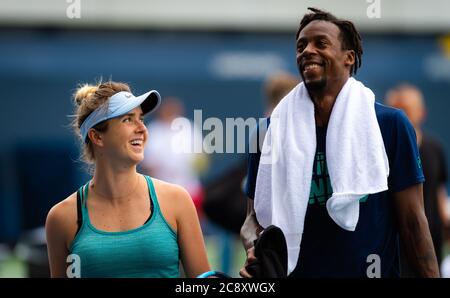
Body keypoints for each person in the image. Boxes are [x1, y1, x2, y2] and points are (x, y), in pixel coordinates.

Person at [240, 8, 440, 278]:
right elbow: (253, 219)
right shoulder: (267, 132)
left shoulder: (390, 124)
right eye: (301, 46)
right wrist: (255, 246)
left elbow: (413, 222)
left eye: (320, 43)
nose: (307, 51)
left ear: (349, 58)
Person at [45, 81, 210, 277]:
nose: (142, 128)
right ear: (97, 137)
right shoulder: (61, 218)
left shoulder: (178, 200)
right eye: (127, 120)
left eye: (140, 118)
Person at [385, 84, 449, 275]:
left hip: (431, 242)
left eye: (407, 110)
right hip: (398, 246)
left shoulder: (434, 147)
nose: (402, 117)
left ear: (421, 113)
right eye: (397, 109)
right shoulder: (384, 151)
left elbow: (439, 192)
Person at [141, 97, 208, 217]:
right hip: (161, 192)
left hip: (190, 189)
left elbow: (201, 157)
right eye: (168, 109)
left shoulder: (189, 128)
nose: (170, 112)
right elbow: (148, 163)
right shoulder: (153, 130)